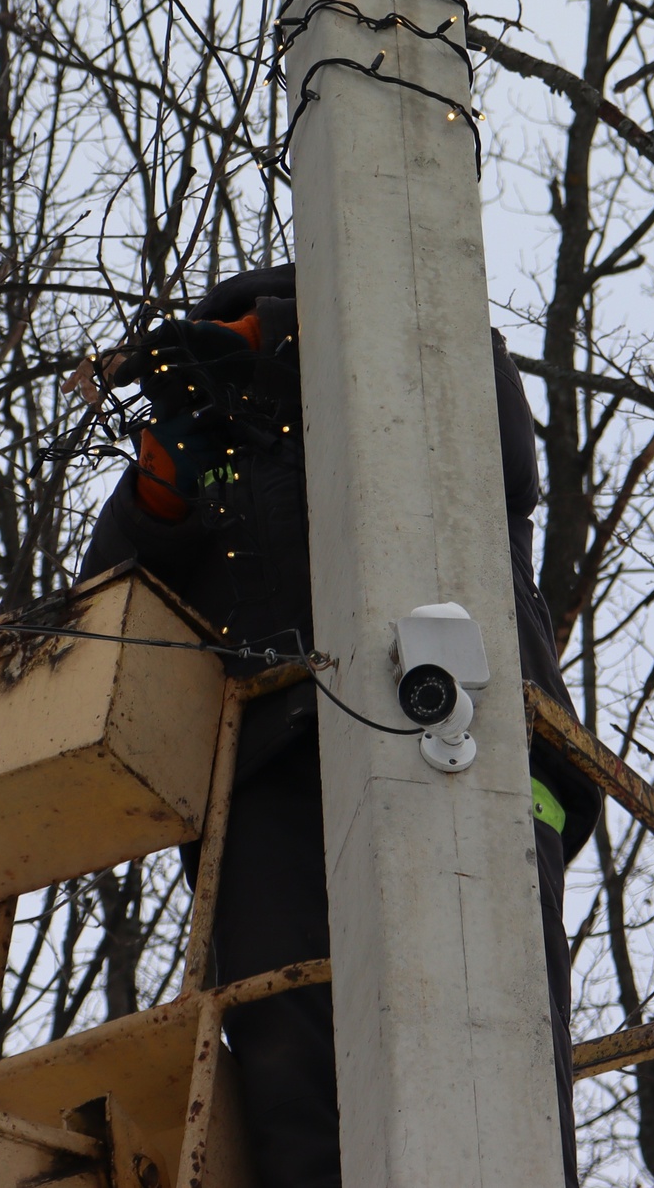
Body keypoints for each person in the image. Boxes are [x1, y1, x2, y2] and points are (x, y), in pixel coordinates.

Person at [78, 263, 601, 1188]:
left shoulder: (434, 388)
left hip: (479, 749)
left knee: (502, 1041)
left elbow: (503, 443)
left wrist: (260, 346)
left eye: (264, 329)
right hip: (273, 781)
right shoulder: (215, 469)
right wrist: (163, 479)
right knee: (296, 1060)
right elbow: (106, 608)